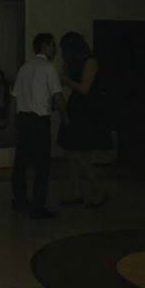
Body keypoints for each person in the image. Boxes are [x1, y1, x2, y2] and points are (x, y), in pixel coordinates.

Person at [11, 33, 68, 219]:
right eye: (52, 45)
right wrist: (65, 115)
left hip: (23, 120)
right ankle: (37, 206)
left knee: (21, 163)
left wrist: (13, 121)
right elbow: (58, 96)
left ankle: (20, 200)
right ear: (45, 46)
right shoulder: (49, 68)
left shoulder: (24, 68)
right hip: (39, 121)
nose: (55, 49)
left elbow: (15, 97)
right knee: (42, 165)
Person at [57, 32, 113, 208]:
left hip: (87, 109)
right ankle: (77, 191)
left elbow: (84, 88)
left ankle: (98, 189)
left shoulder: (90, 62)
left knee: (77, 153)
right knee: (72, 152)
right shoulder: (74, 63)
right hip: (78, 107)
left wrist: (65, 79)